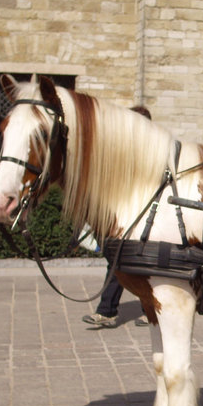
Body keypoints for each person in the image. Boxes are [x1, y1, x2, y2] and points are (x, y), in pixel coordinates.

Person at [82, 105, 152, 328]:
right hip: (122, 217)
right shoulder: (123, 150)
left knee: (136, 265)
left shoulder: (152, 150)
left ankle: (136, 310)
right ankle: (108, 311)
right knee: (118, 263)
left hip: (145, 217)